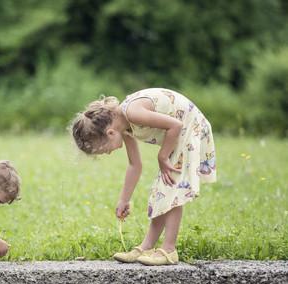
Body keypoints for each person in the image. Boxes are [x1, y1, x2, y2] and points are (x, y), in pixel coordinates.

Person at [71, 88, 216, 265]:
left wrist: (162, 156)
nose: (108, 153)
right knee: (160, 191)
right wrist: (124, 200)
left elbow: (175, 125)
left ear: (110, 133)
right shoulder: (123, 126)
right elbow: (135, 165)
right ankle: (146, 247)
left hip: (190, 127)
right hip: (181, 132)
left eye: (104, 150)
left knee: (171, 187)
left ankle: (169, 250)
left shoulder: (132, 112)